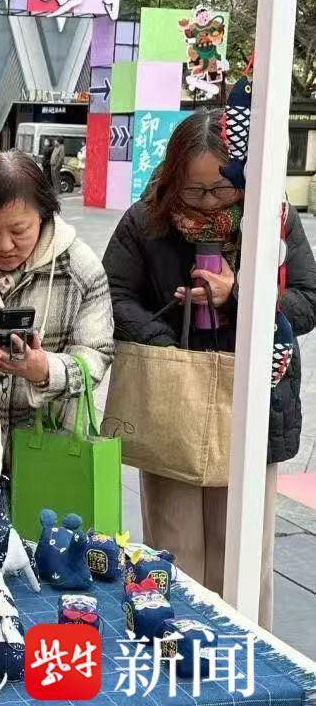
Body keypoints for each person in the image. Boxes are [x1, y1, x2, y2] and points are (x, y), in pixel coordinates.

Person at [102, 108, 316, 629]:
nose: (207, 202)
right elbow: (113, 295)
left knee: (241, 552)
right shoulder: (145, 220)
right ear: (172, 176)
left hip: (253, 396)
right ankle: (175, 650)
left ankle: (246, 659)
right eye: (193, 190)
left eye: (221, 189)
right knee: (173, 547)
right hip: (172, 396)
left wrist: (238, 295)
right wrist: (165, 339)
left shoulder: (273, 220)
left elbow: (307, 302)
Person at [0, 150, 114, 546]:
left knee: (46, 562)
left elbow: (97, 353)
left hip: (52, 450)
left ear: (44, 216)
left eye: (19, 230)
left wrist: (45, 370)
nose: (5, 245)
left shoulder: (79, 267)